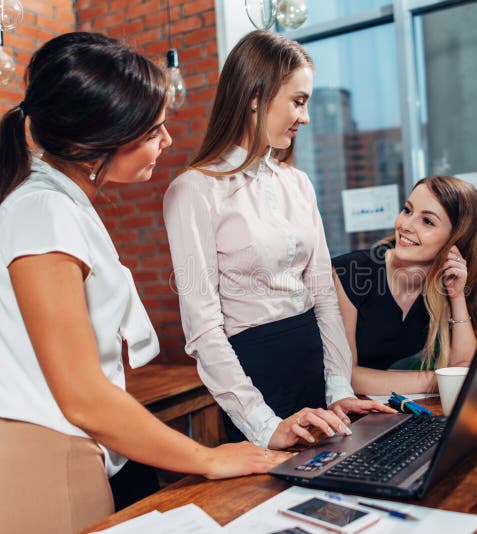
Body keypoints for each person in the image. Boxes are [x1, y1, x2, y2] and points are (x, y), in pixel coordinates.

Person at [0, 32, 289, 534]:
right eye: (152, 131)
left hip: (19, 472)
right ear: (95, 141)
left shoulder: (44, 203)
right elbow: (83, 397)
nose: (166, 142)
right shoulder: (45, 211)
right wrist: (208, 458)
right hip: (39, 480)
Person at [163, 30, 393, 450]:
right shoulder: (193, 191)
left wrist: (339, 387)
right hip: (253, 379)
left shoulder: (298, 183)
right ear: (255, 96)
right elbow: (203, 329)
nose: (305, 117)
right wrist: (263, 424)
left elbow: (322, 292)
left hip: (313, 363)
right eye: (298, 101)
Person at [332, 176, 477, 395]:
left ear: (455, 241)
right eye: (407, 210)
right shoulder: (352, 273)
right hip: (319, 410)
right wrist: (439, 380)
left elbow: (464, 368)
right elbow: (345, 376)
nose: (406, 225)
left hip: (374, 409)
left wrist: (457, 297)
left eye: (427, 221)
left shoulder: (441, 285)